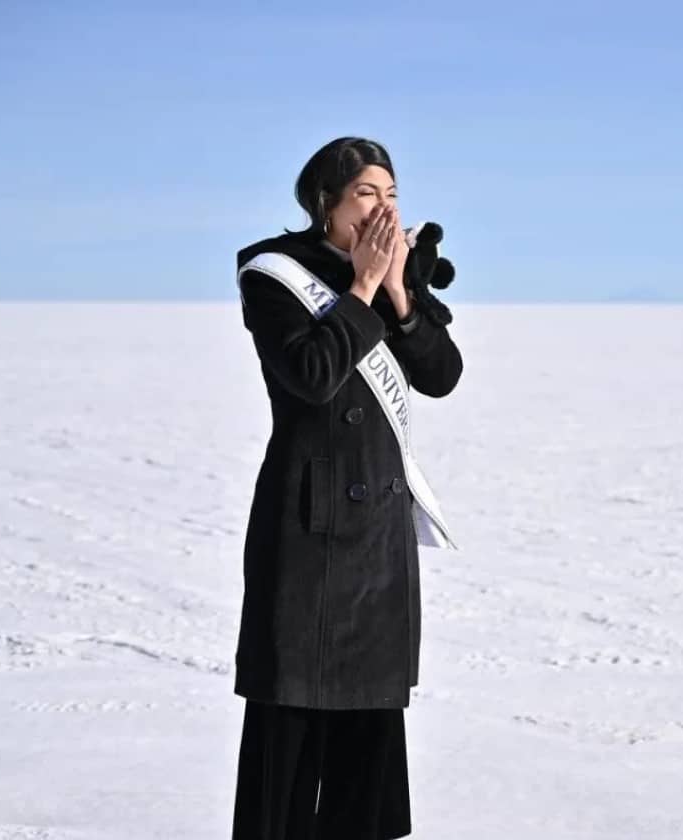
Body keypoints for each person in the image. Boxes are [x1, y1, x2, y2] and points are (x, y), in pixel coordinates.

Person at [229, 137, 464, 839]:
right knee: (289, 739)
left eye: (391, 195)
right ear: (324, 203)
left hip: (378, 542)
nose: (383, 208)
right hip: (306, 529)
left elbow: (442, 375)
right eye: (366, 193)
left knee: (368, 742)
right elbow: (310, 376)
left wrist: (398, 293)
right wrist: (360, 288)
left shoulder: (397, 276)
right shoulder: (275, 275)